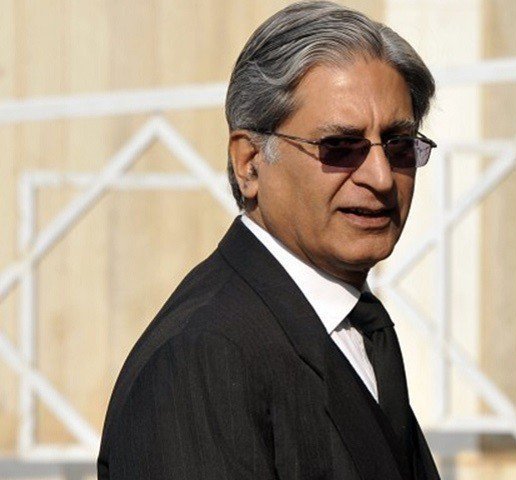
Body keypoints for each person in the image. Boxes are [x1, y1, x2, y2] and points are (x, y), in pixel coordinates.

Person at [97, 1, 439, 479]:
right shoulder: (204, 355)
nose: (381, 177)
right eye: (340, 147)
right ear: (250, 162)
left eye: (399, 145)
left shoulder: (356, 324)